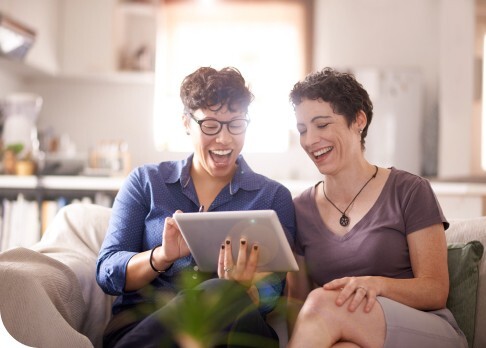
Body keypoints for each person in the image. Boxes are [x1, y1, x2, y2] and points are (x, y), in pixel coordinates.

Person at [96, 66, 296, 348]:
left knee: (223, 291)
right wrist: (161, 256)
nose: (224, 139)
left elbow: (273, 295)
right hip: (146, 326)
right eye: (210, 125)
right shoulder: (147, 182)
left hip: (233, 334)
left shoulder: (272, 197)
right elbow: (107, 271)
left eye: (236, 124)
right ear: (187, 123)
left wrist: (244, 288)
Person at [286, 67, 468, 348]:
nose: (310, 140)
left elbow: (435, 290)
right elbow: (296, 303)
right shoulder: (300, 210)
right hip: (348, 334)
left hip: (426, 329)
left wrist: (376, 284)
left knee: (323, 302)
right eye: (302, 130)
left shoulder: (409, 190)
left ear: (359, 120)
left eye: (321, 125)